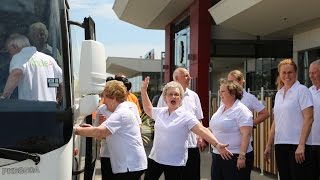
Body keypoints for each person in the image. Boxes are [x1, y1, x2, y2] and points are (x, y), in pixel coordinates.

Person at [141, 76, 232, 180]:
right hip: (156, 158)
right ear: (165, 98)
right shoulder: (161, 112)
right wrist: (144, 90)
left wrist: (217, 144)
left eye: (176, 94)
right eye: (170, 94)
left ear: (181, 98)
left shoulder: (186, 116)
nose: (173, 97)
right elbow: (148, 109)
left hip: (174, 162)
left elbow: (202, 130)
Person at [74, 80, 147, 180]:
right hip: (129, 164)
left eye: (105, 97)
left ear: (113, 98)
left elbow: (99, 132)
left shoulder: (121, 113)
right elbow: (100, 133)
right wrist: (89, 129)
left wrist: (74, 130)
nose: (103, 101)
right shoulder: (122, 110)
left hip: (130, 165)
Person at [264, 58, 314, 180]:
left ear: (295, 73)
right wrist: (269, 145)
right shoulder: (279, 93)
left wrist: (301, 145)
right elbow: (276, 122)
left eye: (290, 72)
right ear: (279, 74)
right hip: (280, 144)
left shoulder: (302, 90)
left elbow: (309, 118)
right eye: (284, 73)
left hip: (297, 145)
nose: (287, 75)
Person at [157, 67, 205, 180]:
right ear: (177, 78)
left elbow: (199, 119)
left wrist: (201, 137)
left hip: (191, 145)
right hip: (173, 147)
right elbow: (159, 118)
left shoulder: (194, 96)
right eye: (186, 75)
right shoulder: (165, 97)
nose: (190, 78)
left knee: (193, 176)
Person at [209, 79, 253, 180]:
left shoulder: (242, 110)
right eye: (219, 91)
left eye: (223, 91)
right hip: (218, 155)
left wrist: (242, 157)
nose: (220, 94)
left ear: (233, 93)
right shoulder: (221, 108)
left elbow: (246, 134)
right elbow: (214, 128)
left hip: (235, 157)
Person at [0, 34, 62, 101]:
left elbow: (16, 73)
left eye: (9, 51)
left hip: (30, 107)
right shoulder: (49, 59)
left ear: (14, 47)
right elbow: (60, 82)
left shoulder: (18, 57)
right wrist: (58, 99)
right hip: (50, 108)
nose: (10, 56)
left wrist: (4, 96)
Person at [309, 59, 320, 180]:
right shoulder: (307, 92)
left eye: (314, 72)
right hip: (310, 143)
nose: (311, 76)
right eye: (310, 73)